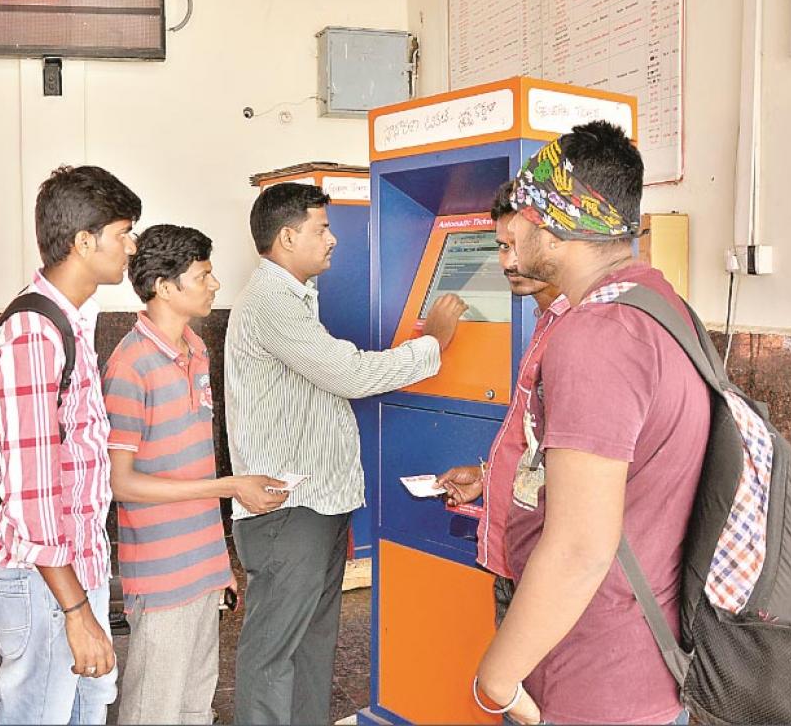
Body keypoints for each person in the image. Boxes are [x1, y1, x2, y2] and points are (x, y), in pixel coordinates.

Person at [474, 122, 709, 725]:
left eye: (523, 211)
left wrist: (496, 678)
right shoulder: (660, 307)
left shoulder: (595, 335)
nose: (512, 229)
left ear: (555, 221)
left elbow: (580, 547)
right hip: (640, 662)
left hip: (593, 680)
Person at [225, 182, 468, 724]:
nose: (333, 240)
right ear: (287, 237)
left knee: (312, 647)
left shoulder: (294, 300)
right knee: (273, 654)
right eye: (322, 228)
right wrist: (436, 342)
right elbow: (349, 373)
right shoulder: (271, 302)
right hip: (289, 509)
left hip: (318, 503)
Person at [103, 224, 288, 724]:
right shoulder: (130, 366)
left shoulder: (197, 350)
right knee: (153, 711)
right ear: (164, 286)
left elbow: (195, 462)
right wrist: (230, 488)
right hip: (161, 575)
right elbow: (121, 483)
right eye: (203, 275)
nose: (215, 284)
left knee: (194, 706)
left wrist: (218, 563)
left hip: (201, 568)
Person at [0, 165, 141, 725]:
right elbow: (33, 494)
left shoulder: (70, 324)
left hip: (74, 570)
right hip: (41, 579)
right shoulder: (33, 334)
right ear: (83, 241)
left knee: (82, 712)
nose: (131, 246)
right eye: (123, 232)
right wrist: (76, 611)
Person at [435, 181, 568, 623]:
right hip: (517, 556)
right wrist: (491, 477)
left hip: (543, 570)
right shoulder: (546, 319)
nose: (508, 261)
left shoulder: (580, 330)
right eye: (500, 246)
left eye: (517, 245)